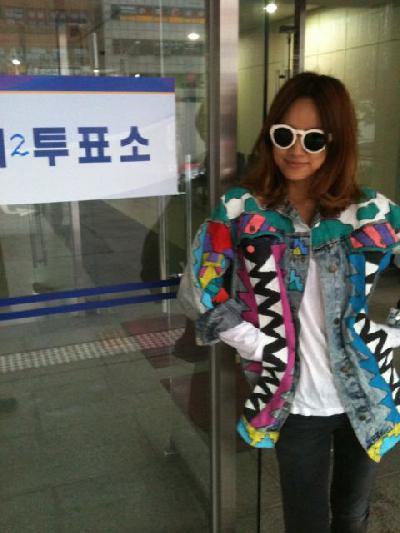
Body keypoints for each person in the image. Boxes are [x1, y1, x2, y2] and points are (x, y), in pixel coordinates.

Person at [178, 72, 400, 533]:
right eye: (285, 135)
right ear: (270, 135)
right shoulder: (242, 209)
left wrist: (391, 332)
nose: (296, 150)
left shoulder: (372, 213)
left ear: (337, 144)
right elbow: (201, 284)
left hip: (366, 391)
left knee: (352, 515)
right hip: (293, 401)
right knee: (306, 522)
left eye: (314, 139)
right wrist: (257, 344)